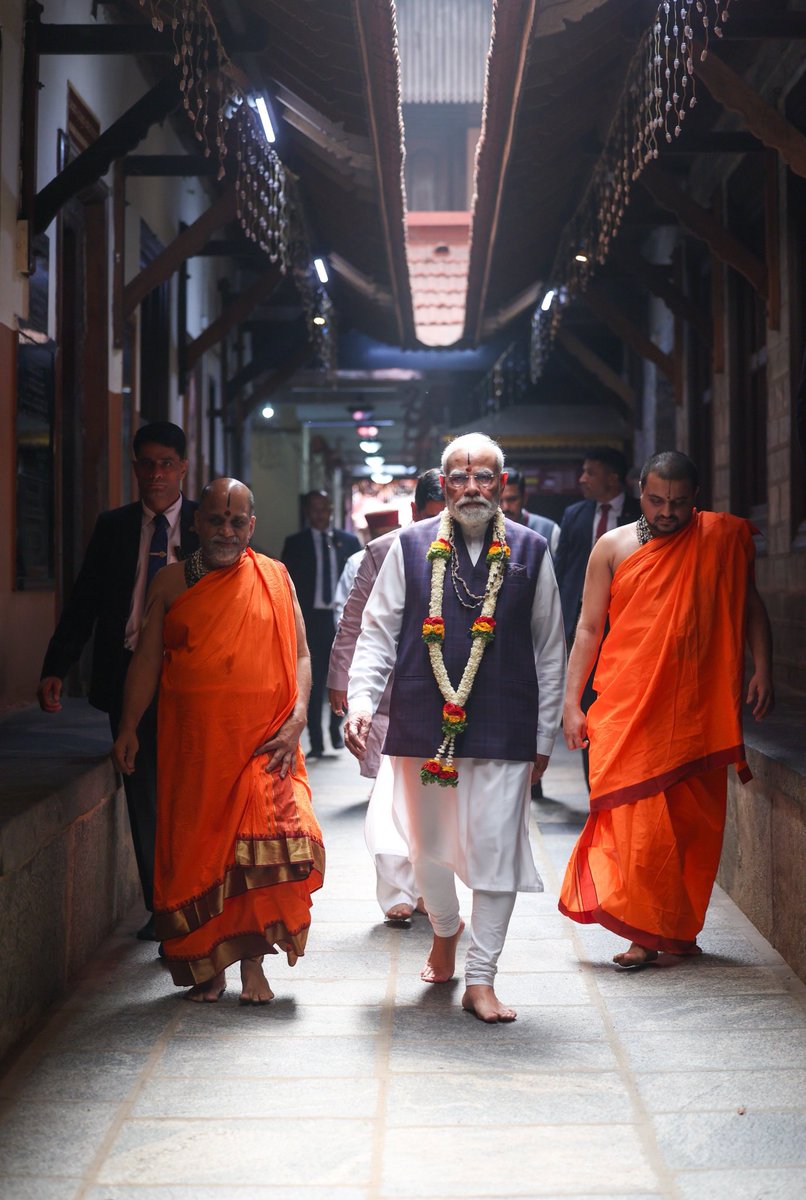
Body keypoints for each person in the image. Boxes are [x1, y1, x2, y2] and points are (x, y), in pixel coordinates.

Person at [344, 433, 566, 1023]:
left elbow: (550, 650)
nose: (473, 488)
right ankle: (445, 929)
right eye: (461, 479)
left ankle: (482, 977)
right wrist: (361, 702)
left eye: (485, 478)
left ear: (502, 485)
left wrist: (544, 737)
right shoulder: (410, 545)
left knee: (496, 848)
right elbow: (376, 632)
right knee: (427, 848)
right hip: (423, 720)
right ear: (443, 486)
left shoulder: (531, 550)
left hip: (504, 721)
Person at [559, 451, 774, 968]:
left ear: (694, 497)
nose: (667, 512)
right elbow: (589, 628)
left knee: (691, 824)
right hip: (627, 704)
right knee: (635, 820)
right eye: (656, 500)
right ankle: (642, 932)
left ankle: (673, 925)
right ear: (640, 492)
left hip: (698, 709)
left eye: (678, 503)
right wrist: (571, 701)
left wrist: (762, 667)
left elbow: (749, 606)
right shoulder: (611, 547)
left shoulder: (720, 539)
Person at [112, 479, 324, 1003]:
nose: (226, 530)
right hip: (196, 749)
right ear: (197, 524)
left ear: (251, 526)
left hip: (264, 743)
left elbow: (300, 653)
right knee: (200, 854)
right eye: (215, 520)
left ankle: (253, 965)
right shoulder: (170, 583)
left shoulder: (274, 577)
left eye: (236, 522)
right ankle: (208, 966)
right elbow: (145, 662)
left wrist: (298, 717)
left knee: (258, 853)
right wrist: (129, 727)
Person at [37, 421, 198, 942]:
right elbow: (84, 600)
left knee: (189, 791)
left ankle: (198, 896)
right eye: (146, 463)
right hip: (128, 676)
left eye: (166, 463)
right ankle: (162, 905)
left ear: (183, 468)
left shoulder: (206, 524)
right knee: (142, 791)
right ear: (134, 468)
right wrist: (56, 666)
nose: (156, 474)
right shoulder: (114, 527)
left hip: (192, 680)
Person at [327, 470, 445, 922]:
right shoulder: (380, 552)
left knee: (435, 792)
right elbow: (354, 622)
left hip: (446, 691)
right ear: (413, 513)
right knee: (388, 788)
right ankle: (396, 887)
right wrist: (342, 678)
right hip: (388, 688)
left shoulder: (474, 550)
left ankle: (427, 887)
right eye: (431, 517)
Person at [281, 491, 361, 757]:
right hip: (309, 618)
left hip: (342, 619)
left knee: (342, 674)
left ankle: (336, 731)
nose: (319, 513)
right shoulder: (295, 543)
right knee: (312, 679)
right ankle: (316, 739)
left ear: (330, 509)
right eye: (314, 509)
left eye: (324, 508)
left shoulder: (348, 541)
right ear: (307, 511)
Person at [554, 447, 642, 643]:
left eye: (590, 473)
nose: (582, 479)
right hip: (578, 611)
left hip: (624, 611)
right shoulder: (574, 514)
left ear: (612, 478)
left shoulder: (639, 514)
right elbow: (561, 568)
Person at [332, 509, 400, 625]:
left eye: (390, 535)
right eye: (380, 536)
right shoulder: (356, 561)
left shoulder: (406, 557)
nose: (385, 542)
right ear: (371, 535)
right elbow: (342, 607)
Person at [500, 468, 560, 555]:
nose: (505, 507)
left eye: (512, 499)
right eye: (499, 500)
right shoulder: (483, 531)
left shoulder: (549, 530)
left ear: (524, 498)